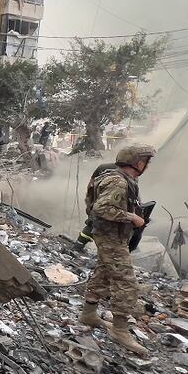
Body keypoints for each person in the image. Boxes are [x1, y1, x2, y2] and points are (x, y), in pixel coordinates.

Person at [79, 144, 156, 357]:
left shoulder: (122, 179)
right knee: (126, 282)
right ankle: (120, 329)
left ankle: (88, 313)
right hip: (110, 238)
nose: (147, 166)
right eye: (146, 162)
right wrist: (132, 217)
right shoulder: (118, 182)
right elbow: (102, 208)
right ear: (138, 162)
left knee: (103, 273)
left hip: (113, 236)